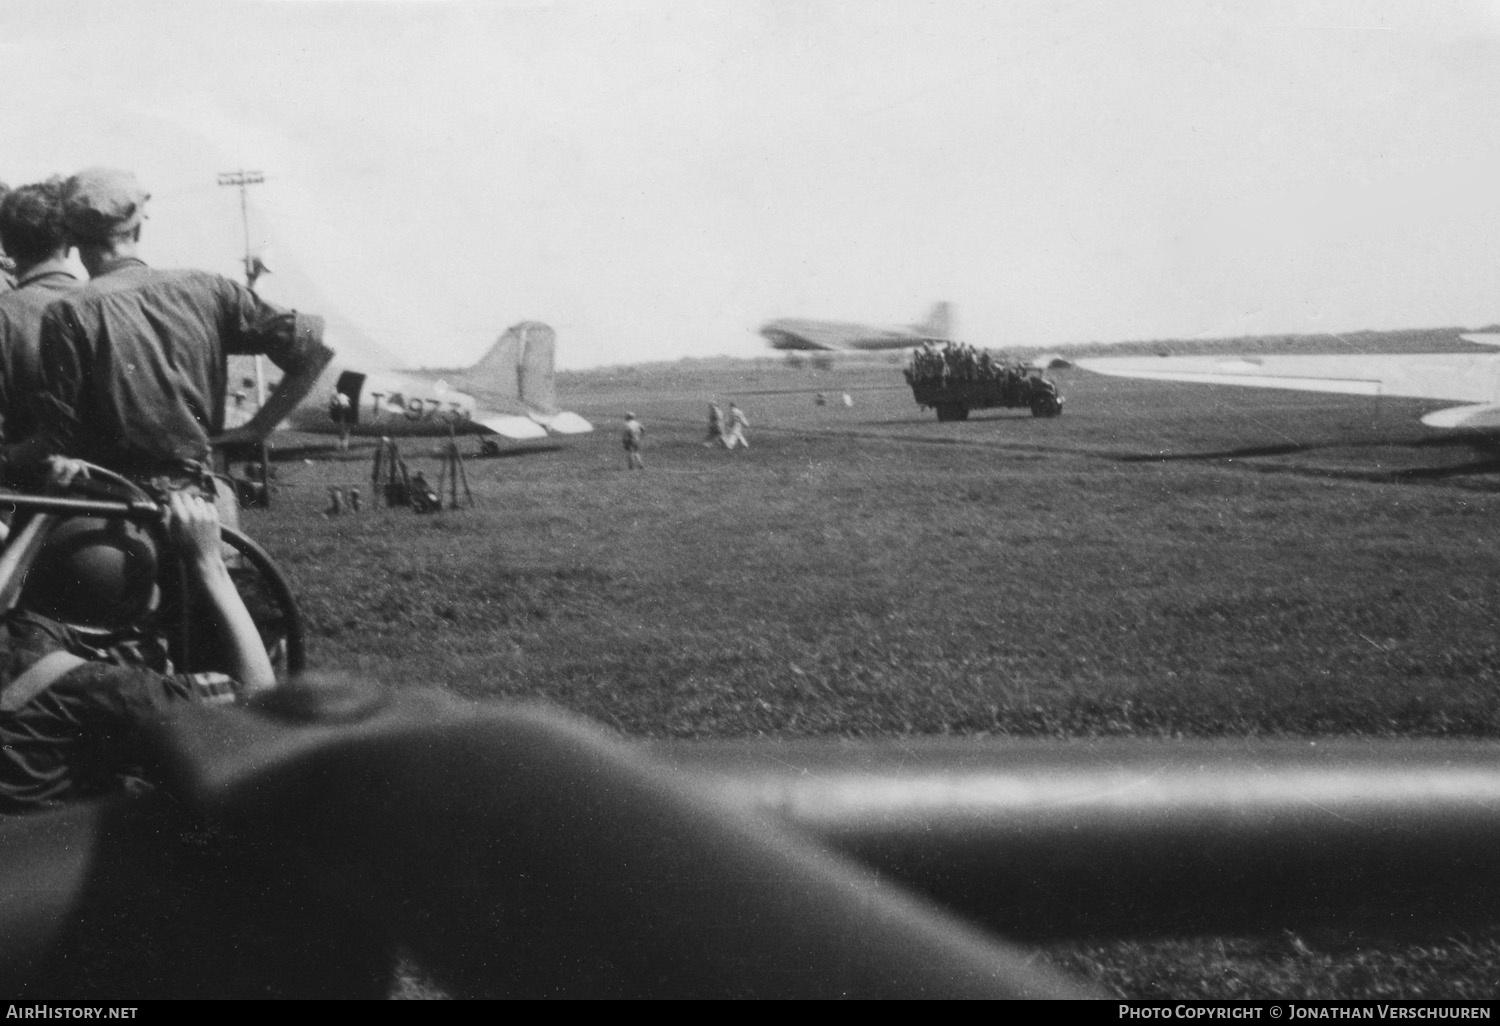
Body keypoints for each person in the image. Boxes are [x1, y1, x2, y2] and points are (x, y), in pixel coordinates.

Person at [29, 167, 334, 509]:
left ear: (69, 237)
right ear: (140, 225)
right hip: (204, 505)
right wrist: (258, 428)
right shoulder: (208, 288)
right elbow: (314, 350)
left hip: (114, 509)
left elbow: (57, 440)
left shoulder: (69, 313)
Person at [0, 492, 276, 815]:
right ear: (129, 619)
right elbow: (263, 707)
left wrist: (43, 512)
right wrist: (209, 563)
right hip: (40, 854)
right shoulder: (105, 687)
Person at [0, 178, 79, 484]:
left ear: (6, 243)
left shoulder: (6, 314)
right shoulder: (108, 306)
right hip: (117, 493)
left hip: (29, 494)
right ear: (69, 241)